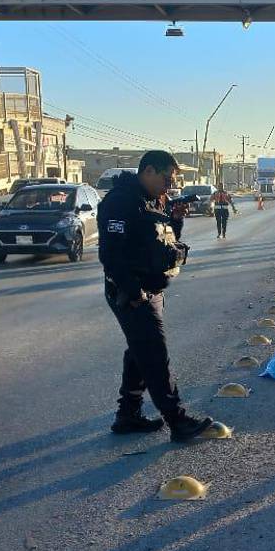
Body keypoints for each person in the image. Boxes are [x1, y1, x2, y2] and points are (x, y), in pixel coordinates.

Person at [98, 150, 216, 442]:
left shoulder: (152, 200)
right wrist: (132, 290)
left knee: (139, 351)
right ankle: (177, 421)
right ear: (148, 171)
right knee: (153, 353)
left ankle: (128, 415)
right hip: (132, 292)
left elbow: (161, 243)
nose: (169, 186)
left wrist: (175, 220)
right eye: (166, 179)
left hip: (151, 289)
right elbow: (110, 255)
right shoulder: (120, 202)